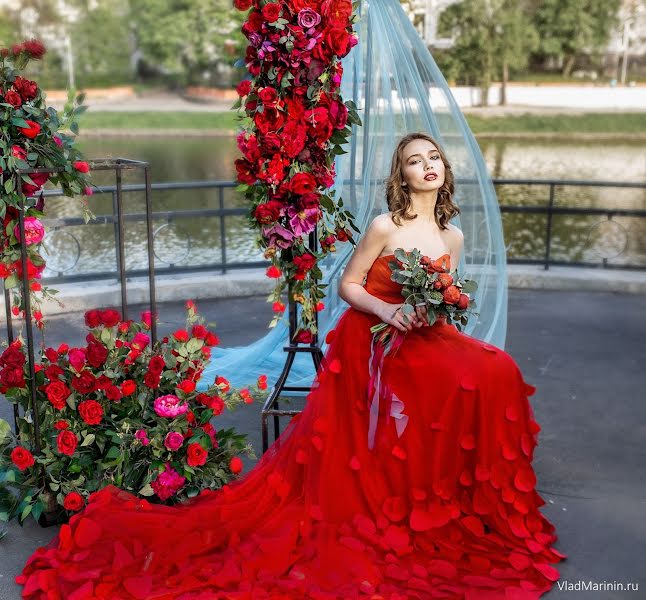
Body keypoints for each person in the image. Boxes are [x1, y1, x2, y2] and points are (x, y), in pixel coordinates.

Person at [18, 133, 566, 599]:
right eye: (414, 161)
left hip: (425, 333)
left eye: (433, 159)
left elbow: (447, 295)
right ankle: (408, 488)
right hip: (374, 334)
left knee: (496, 372)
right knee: (462, 378)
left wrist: (437, 308)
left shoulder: (453, 235)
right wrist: (390, 310)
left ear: (444, 172)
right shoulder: (385, 225)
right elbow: (348, 285)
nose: (427, 166)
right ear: (402, 176)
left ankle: (456, 490)